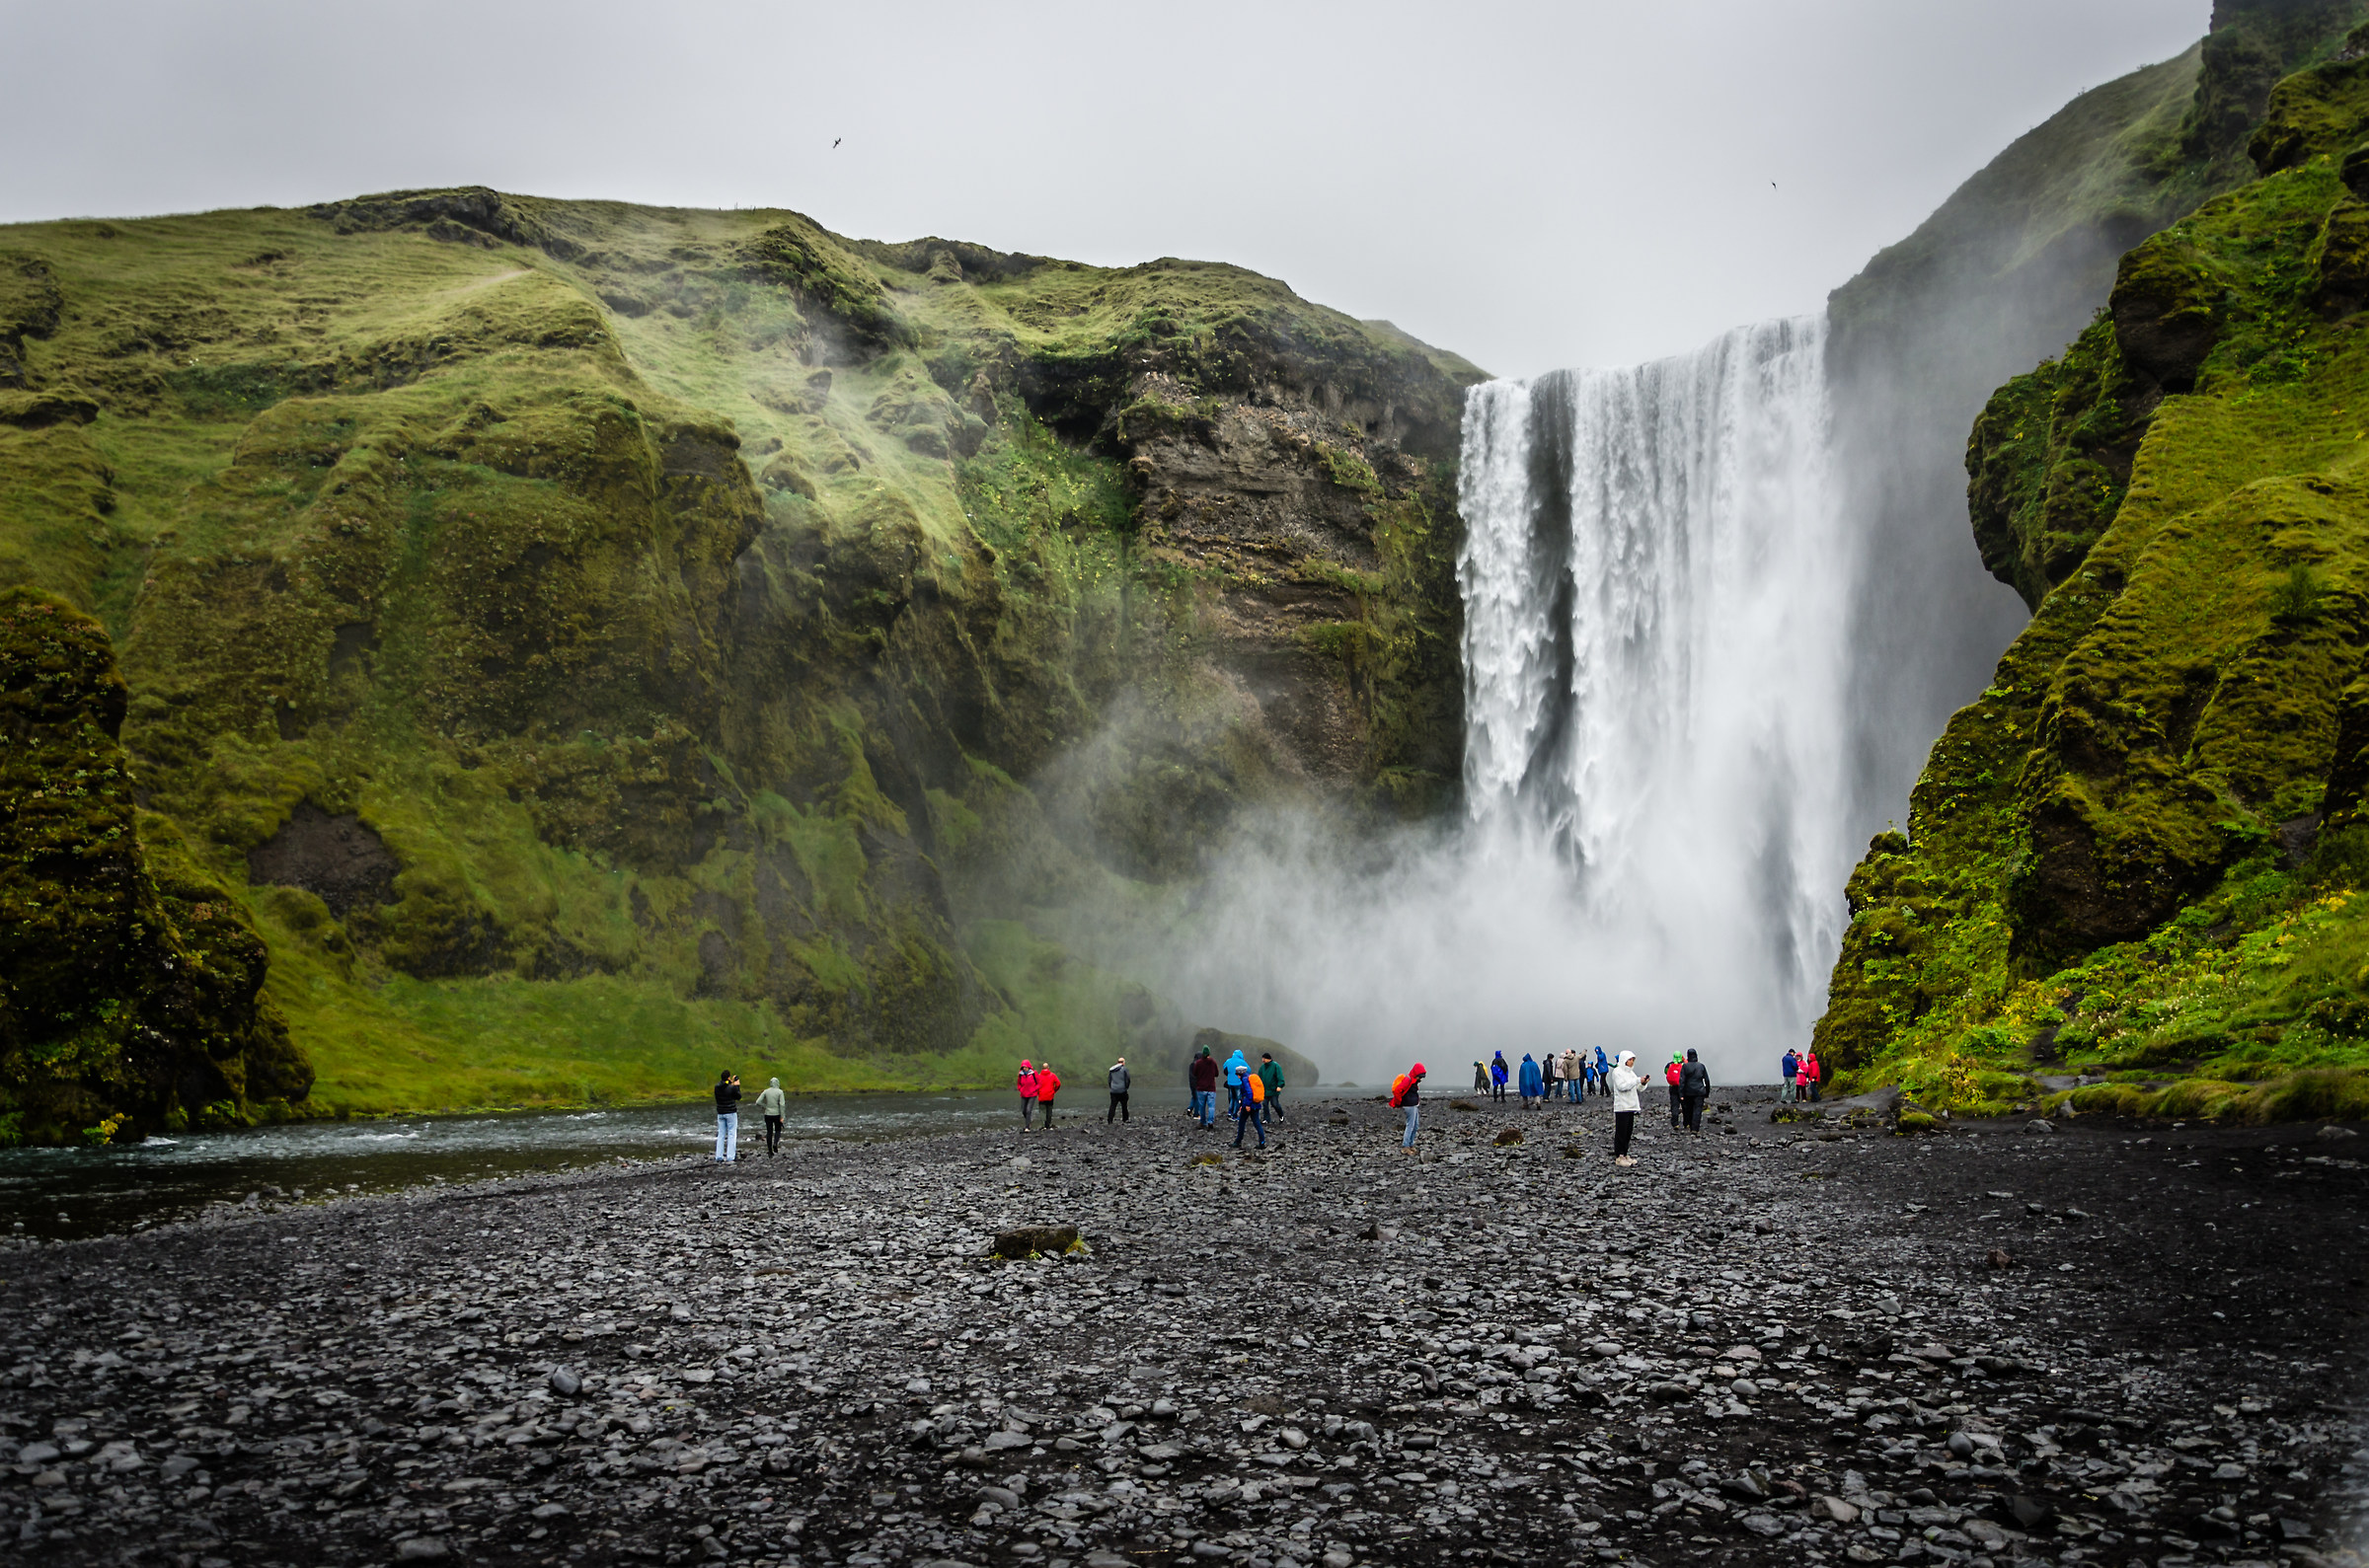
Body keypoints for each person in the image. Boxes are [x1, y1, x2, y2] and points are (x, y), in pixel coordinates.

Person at [1609, 1051, 1643, 1165]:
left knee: (1628, 1132)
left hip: (1631, 1106)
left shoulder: (1631, 1073)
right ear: (1624, 1060)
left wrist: (1643, 1083)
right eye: (1630, 1060)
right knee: (1621, 1132)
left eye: (1633, 1060)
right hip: (1622, 1106)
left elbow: (1639, 1088)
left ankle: (1625, 1154)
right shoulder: (1617, 1071)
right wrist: (1637, 1080)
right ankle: (1619, 1156)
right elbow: (1622, 1086)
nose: (1631, 1062)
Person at [1394, 1062, 1426, 1150]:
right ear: (1416, 1073)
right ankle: (1406, 1146)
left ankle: (1410, 1144)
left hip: (1414, 1105)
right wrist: (1399, 1102)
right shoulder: (1408, 1080)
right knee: (1410, 1126)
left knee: (1415, 1126)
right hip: (1409, 1106)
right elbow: (1397, 1091)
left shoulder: (1413, 1080)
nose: (1420, 1079)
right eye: (1420, 1077)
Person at [1234, 1064, 1267, 1149]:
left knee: (1241, 1123)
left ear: (1239, 1074)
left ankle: (1238, 1142)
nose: (1237, 1076)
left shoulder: (1245, 1080)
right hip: (1256, 1105)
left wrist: (1247, 1105)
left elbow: (1249, 1093)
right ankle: (1262, 1142)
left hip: (1249, 1105)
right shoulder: (1249, 1078)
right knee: (1257, 1124)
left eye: (1237, 1074)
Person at [1678, 1048, 1710, 1134]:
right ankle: (1695, 1129)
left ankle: (1691, 1126)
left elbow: (1682, 1081)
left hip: (1688, 1092)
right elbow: (1707, 1080)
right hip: (1699, 1091)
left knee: (1689, 1110)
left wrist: (1681, 1094)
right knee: (1697, 1110)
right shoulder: (1701, 1066)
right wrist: (1707, 1092)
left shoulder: (1685, 1066)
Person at [714, 1070, 741, 1162]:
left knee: (721, 1134)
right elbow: (738, 1096)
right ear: (729, 1077)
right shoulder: (731, 1088)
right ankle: (730, 1157)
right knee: (731, 1134)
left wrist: (731, 1083)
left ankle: (719, 1156)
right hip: (730, 1112)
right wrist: (737, 1086)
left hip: (720, 1112)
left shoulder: (717, 1087)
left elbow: (725, 1086)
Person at [1189, 1045, 1220, 1128]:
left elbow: (1195, 1073)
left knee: (1202, 1106)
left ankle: (1203, 1122)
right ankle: (1210, 1121)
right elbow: (1217, 1074)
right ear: (1209, 1053)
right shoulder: (1213, 1062)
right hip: (1211, 1088)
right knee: (1211, 1106)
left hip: (1201, 1088)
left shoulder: (1198, 1063)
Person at [756, 1075, 787, 1157]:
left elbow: (758, 1102)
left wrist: (765, 1107)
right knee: (778, 1130)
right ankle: (775, 1143)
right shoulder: (780, 1092)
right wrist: (782, 1116)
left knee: (769, 1132)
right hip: (777, 1114)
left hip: (768, 1114)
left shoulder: (766, 1091)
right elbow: (782, 1105)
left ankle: (770, 1151)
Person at [1258, 1052, 1285, 1125]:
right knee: (1265, 1104)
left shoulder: (1276, 1066)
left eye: (1264, 1058)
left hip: (1273, 1090)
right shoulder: (1262, 1067)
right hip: (1265, 1090)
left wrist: (1280, 1085)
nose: (1263, 1060)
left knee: (1275, 1104)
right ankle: (1266, 1119)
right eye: (1262, 1058)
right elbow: (1259, 1077)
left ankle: (1281, 1116)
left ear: (1268, 1059)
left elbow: (1280, 1076)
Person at [1223, 1049, 1250, 1119]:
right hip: (1238, 1083)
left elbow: (1224, 1068)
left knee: (1232, 1098)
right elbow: (1249, 1070)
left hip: (1230, 1083)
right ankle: (1234, 1114)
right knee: (1238, 1099)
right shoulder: (1242, 1062)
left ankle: (1229, 1112)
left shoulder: (1228, 1061)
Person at [1034, 1062, 1061, 1129]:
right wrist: (1054, 1091)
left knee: (1042, 1111)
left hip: (1042, 1096)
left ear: (1042, 1068)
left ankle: (1043, 1126)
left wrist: (1038, 1093)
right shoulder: (1053, 1075)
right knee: (1049, 1111)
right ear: (1048, 1068)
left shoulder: (1038, 1076)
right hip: (1050, 1096)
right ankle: (1048, 1125)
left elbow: (1035, 1086)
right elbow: (1058, 1084)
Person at [1017, 1060, 1041, 1130]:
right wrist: (1021, 1089)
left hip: (1032, 1095)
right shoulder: (1020, 1074)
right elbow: (1018, 1084)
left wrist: (1034, 1089)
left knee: (1028, 1110)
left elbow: (1039, 1084)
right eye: (1023, 1067)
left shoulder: (1034, 1073)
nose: (1024, 1068)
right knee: (1023, 1110)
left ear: (1028, 1066)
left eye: (1025, 1067)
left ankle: (1027, 1127)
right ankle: (1029, 1120)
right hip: (1023, 1095)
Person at [1108, 1057, 1131, 1124]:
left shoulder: (1112, 1070)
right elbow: (1128, 1079)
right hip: (1122, 1090)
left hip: (1113, 1090)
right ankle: (1125, 1119)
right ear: (1123, 1062)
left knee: (1113, 1105)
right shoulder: (1124, 1069)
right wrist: (1126, 1088)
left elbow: (1109, 1080)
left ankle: (1110, 1120)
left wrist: (1112, 1087)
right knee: (1124, 1105)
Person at [1665, 1054, 1685, 1128]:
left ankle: (1675, 1123)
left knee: (1674, 1105)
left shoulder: (1669, 1065)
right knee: (1685, 1105)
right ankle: (1686, 1123)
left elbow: (1666, 1072)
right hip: (1682, 1087)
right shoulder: (1684, 1065)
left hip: (1673, 1087)